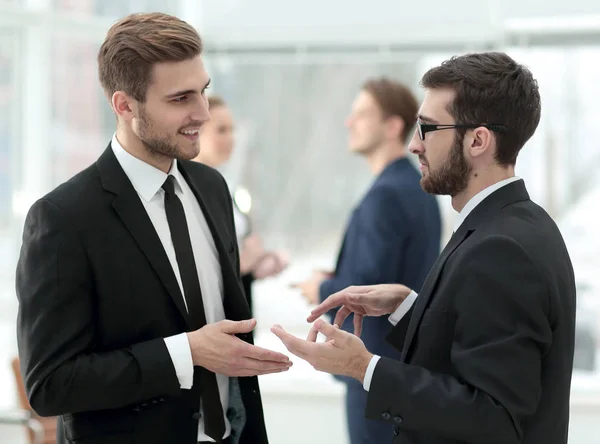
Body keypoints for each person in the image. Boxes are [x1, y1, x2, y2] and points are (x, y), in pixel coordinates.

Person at [272, 51, 576, 444]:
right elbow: (476, 342)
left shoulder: (502, 248)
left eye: (428, 129)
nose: (415, 145)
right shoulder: (514, 224)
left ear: (478, 140)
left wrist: (365, 368)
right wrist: (407, 306)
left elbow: (494, 418)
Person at [15, 12, 292, 444]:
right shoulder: (63, 219)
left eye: (203, 91)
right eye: (180, 99)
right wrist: (188, 352)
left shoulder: (211, 187)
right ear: (125, 105)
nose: (202, 113)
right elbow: (50, 384)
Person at [292, 77, 441, 444]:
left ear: (392, 126)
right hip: (405, 368)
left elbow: (366, 289)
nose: (349, 122)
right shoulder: (418, 189)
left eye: (361, 114)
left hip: (373, 369)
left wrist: (320, 287)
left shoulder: (385, 196)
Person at [194, 95, 288, 315]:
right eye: (221, 130)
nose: (231, 139)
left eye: (232, 130)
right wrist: (245, 264)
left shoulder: (221, 186)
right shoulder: (187, 192)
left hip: (239, 309)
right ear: (195, 131)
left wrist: (259, 263)